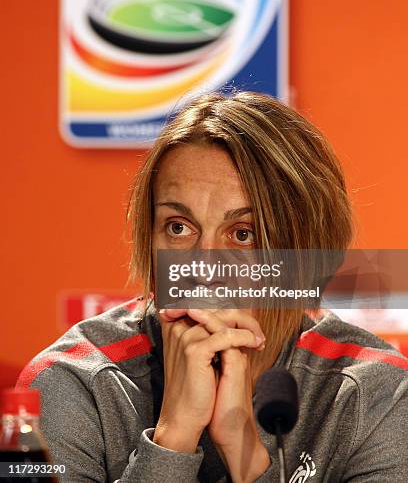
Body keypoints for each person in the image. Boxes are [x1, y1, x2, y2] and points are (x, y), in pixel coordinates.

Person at [17, 91, 408, 482]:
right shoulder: (67, 382)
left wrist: (244, 449)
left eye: (243, 234)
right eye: (178, 227)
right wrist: (173, 436)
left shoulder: (378, 394)